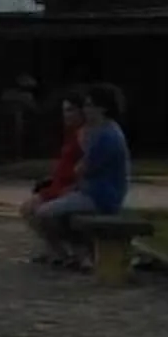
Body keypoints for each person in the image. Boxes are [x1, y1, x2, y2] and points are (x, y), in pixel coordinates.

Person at [32, 86, 130, 268]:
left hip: (101, 197)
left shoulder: (106, 136)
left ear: (103, 108)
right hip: (92, 192)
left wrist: (79, 175)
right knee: (53, 209)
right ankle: (76, 253)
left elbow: (83, 169)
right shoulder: (101, 130)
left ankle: (77, 253)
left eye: (89, 105)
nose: (85, 110)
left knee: (44, 212)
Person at [19, 93, 86, 267]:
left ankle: (63, 252)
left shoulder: (85, 135)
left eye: (70, 110)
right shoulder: (71, 134)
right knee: (30, 208)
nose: (66, 115)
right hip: (59, 185)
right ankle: (56, 251)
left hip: (70, 187)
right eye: (64, 111)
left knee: (36, 210)